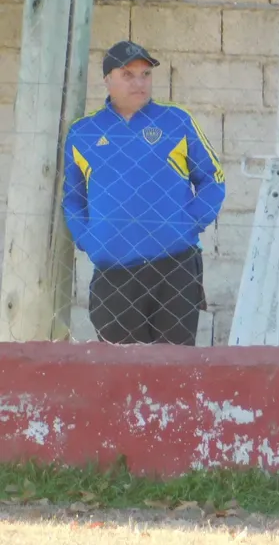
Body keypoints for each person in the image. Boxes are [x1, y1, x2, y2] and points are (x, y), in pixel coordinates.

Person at [62, 40, 226, 346]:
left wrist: (188, 225)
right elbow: (72, 197)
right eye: (128, 74)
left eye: (146, 74)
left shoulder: (176, 121)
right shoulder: (83, 132)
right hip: (114, 272)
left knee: (173, 369)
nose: (139, 82)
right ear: (107, 79)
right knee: (119, 371)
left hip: (174, 266)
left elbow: (213, 179)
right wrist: (88, 238)